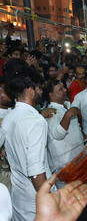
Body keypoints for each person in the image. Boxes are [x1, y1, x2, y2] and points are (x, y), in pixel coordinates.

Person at [2, 65, 55, 220]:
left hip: (19, 199)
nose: (41, 91)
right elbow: (36, 170)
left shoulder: (9, 117)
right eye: (39, 87)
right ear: (31, 89)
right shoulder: (36, 121)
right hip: (36, 203)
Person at [43, 80, 86, 184]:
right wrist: (67, 115)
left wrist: (84, 137)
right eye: (60, 89)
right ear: (51, 94)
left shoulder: (67, 105)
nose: (65, 90)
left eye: (64, 87)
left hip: (77, 158)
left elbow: (76, 128)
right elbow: (58, 135)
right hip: (64, 163)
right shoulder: (51, 112)